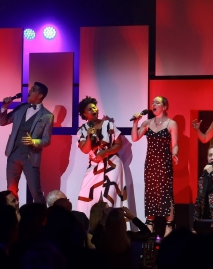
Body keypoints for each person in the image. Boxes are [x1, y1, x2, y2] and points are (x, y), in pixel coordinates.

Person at [0, 81, 53, 204]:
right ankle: (14, 219)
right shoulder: (21, 108)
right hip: (13, 154)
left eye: (33, 90)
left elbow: (47, 140)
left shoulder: (47, 116)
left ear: (40, 95)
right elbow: (3, 122)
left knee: (35, 192)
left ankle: (42, 219)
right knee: (11, 192)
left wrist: (34, 141)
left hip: (30, 157)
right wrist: (4, 107)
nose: (29, 91)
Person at [132, 95, 178, 235]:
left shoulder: (171, 123)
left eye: (157, 102)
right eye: (152, 102)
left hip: (164, 162)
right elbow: (135, 138)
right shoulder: (147, 123)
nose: (153, 104)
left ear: (164, 107)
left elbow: (175, 144)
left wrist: (175, 154)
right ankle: (150, 223)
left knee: (165, 193)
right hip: (151, 163)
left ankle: (169, 225)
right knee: (151, 193)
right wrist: (135, 123)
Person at [76, 96, 125, 215]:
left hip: (112, 163)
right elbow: (85, 150)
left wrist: (105, 152)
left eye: (95, 108)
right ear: (84, 113)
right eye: (90, 109)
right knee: (87, 193)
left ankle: (112, 224)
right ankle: (89, 225)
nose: (94, 110)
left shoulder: (109, 125)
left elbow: (119, 144)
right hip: (94, 164)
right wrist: (88, 136)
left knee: (109, 193)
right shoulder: (82, 130)